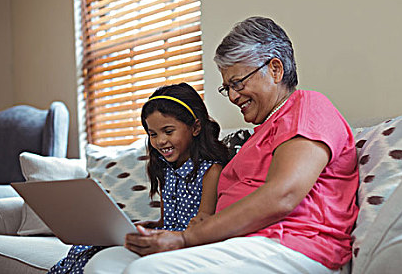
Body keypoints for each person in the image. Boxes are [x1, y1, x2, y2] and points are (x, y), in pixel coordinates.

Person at [84, 17, 359, 274]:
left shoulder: (307, 107)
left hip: (294, 244)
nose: (232, 95)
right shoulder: (258, 136)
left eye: (238, 82)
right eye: (227, 87)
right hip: (238, 243)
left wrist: (187, 238)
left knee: (144, 271)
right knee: (105, 263)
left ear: (275, 69)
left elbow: (283, 195)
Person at [49, 83, 228, 274]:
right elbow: (165, 221)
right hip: (162, 239)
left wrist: (162, 236)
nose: (160, 141)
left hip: (184, 247)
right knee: (84, 249)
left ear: (195, 127)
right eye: (153, 134)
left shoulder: (211, 172)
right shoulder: (165, 170)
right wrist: (147, 227)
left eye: (168, 131)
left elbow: (202, 227)